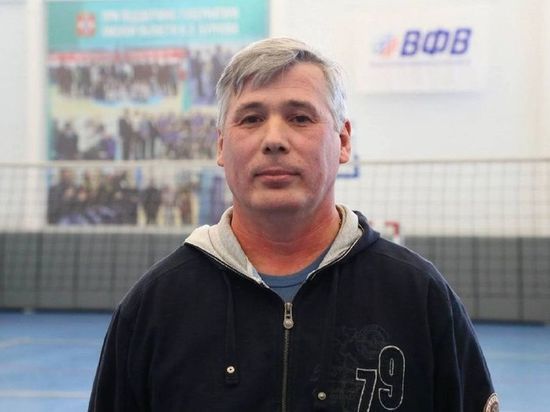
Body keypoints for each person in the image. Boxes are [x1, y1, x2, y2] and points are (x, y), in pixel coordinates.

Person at [89, 38, 499, 412]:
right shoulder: (155, 305)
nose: (274, 139)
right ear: (221, 145)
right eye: (251, 119)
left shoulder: (418, 296)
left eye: (300, 118)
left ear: (343, 141)